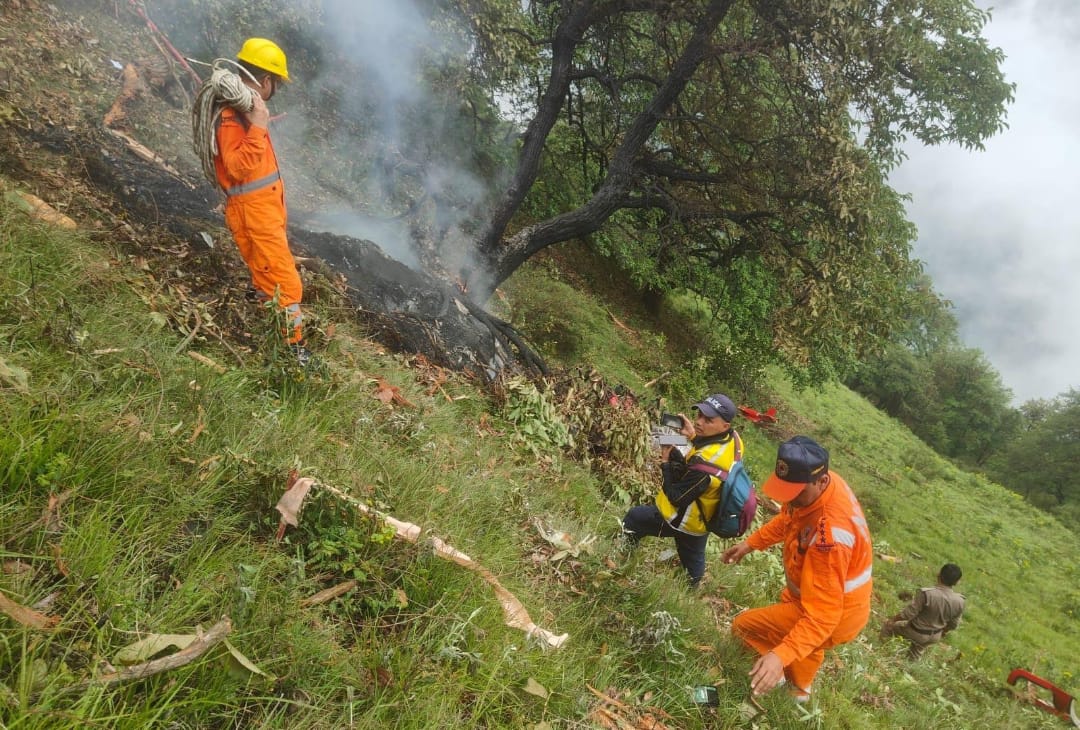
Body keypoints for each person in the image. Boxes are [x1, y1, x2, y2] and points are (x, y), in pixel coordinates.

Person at [720, 436, 873, 703]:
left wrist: (779, 655)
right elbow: (790, 519)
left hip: (834, 615)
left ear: (821, 481)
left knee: (743, 627)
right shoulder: (818, 487)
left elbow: (822, 617)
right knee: (807, 641)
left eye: (795, 494)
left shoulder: (831, 538)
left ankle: (774, 676)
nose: (788, 501)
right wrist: (751, 544)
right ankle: (798, 691)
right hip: (818, 599)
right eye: (785, 492)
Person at [213, 38, 310, 365]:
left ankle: (263, 330)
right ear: (266, 80)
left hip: (263, 214)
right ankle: (294, 357)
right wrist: (257, 127)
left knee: (270, 279)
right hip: (254, 217)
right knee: (287, 286)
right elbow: (238, 168)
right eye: (276, 83)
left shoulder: (246, 110)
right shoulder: (233, 116)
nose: (275, 90)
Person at [621, 393, 744, 587]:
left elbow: (677, 498)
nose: (700, 422)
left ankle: (621, 559)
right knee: (692, 573)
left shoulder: (706, 466)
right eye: (700, 416)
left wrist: (665, 462)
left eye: (708, 420)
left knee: (634, 519)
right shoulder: (734, 440)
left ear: (724, 425)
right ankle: (692, 588)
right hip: (703, 521)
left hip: (681, 520)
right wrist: (694, 437)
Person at [881, 563, 965, 659]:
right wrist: (942, 633)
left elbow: (908, 614)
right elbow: (953, 624)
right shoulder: (960, 601)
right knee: (916, 651)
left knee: (888, 627)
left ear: (939, 574)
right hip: (934, 636)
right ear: (957, 582)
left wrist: (892, 620)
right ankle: (909, 667)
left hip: (915, 631)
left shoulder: (927, 593)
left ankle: (880, 651)